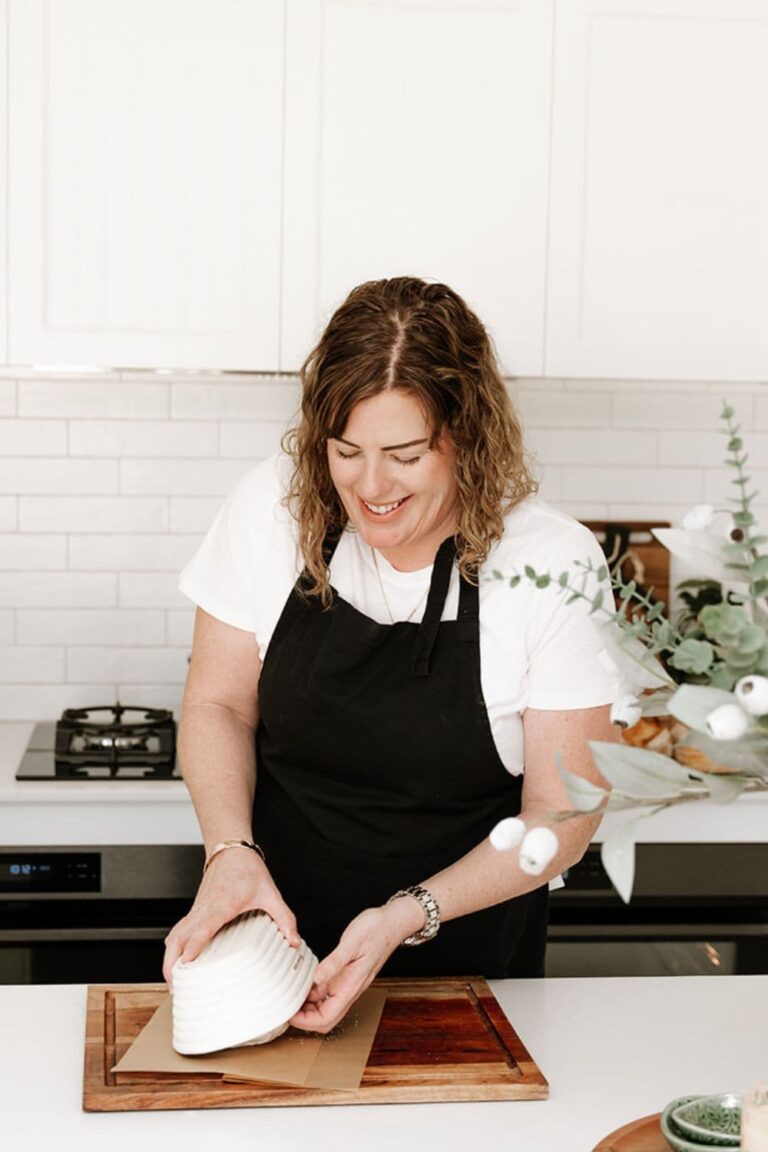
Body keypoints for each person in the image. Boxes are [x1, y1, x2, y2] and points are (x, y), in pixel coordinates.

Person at [162, 276, 617, 1033]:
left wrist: (408, 914)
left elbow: (561, 815)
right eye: (347, 451)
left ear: (466, 438)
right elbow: (217, 702)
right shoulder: (269, 510)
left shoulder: (552, 563)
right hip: (273, 964)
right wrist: (229, 851)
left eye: (404, 455)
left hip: (472, 978)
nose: (370, 486)